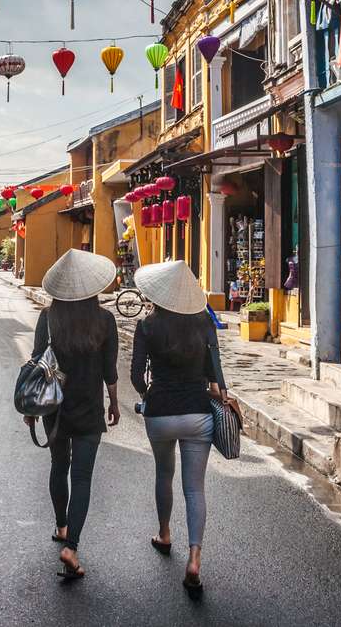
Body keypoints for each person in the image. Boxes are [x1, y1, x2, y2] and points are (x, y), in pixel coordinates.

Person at [131, 261, 229, 601]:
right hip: (197, 414)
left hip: (159, 413)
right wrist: (218, 390)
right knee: (195, 489)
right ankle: (195, 557)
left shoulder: (147, 326)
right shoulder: (204, 323)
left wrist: (148, 396)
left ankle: (164, 533)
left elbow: (135, 377)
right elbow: (215, 370)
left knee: (163, 474)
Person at [24, 249, 119, 580]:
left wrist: (32, 411)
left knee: (58, 466)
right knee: (81, 477)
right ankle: (72, 547)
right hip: (89, 408)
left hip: (54, 407)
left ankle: (61, 526)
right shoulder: (105, 320)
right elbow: (109, 369)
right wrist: (115, 402)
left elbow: (38, 361)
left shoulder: (49, 317)